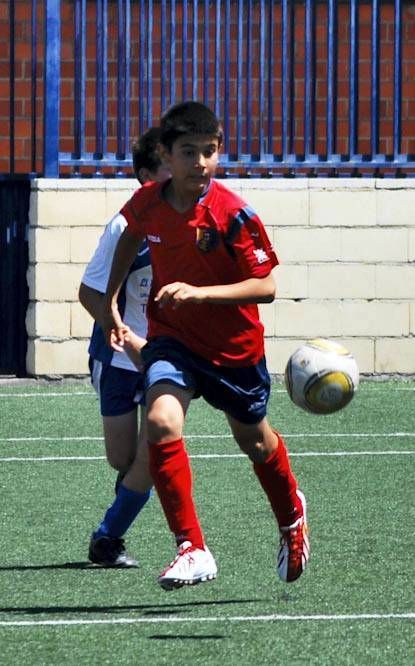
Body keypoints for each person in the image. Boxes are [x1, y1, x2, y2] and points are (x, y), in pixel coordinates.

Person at [102, 101, 310, 589]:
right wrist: (112, 299)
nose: (200, 163)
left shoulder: (233, 214)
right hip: (173, 339)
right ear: (165, 155)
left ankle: (291, 515)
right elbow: (130, 238)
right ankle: (192, 548)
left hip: (233, 351)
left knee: (254, 442)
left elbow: (266, 287)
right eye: (189, 152)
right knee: (160, 420)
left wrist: (200, 294)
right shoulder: (147, 202)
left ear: (220, 152)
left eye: (209, 152)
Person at [79, 127, 170, 567]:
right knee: (123, 458)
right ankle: (113, 528)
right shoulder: (124, 226)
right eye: (170, 163)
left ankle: (108, 538)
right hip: (116, 356)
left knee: (156, 450)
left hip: (162, 356)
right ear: (146, 176)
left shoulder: (194, 222)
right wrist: (114, 324)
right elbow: (89, 292)